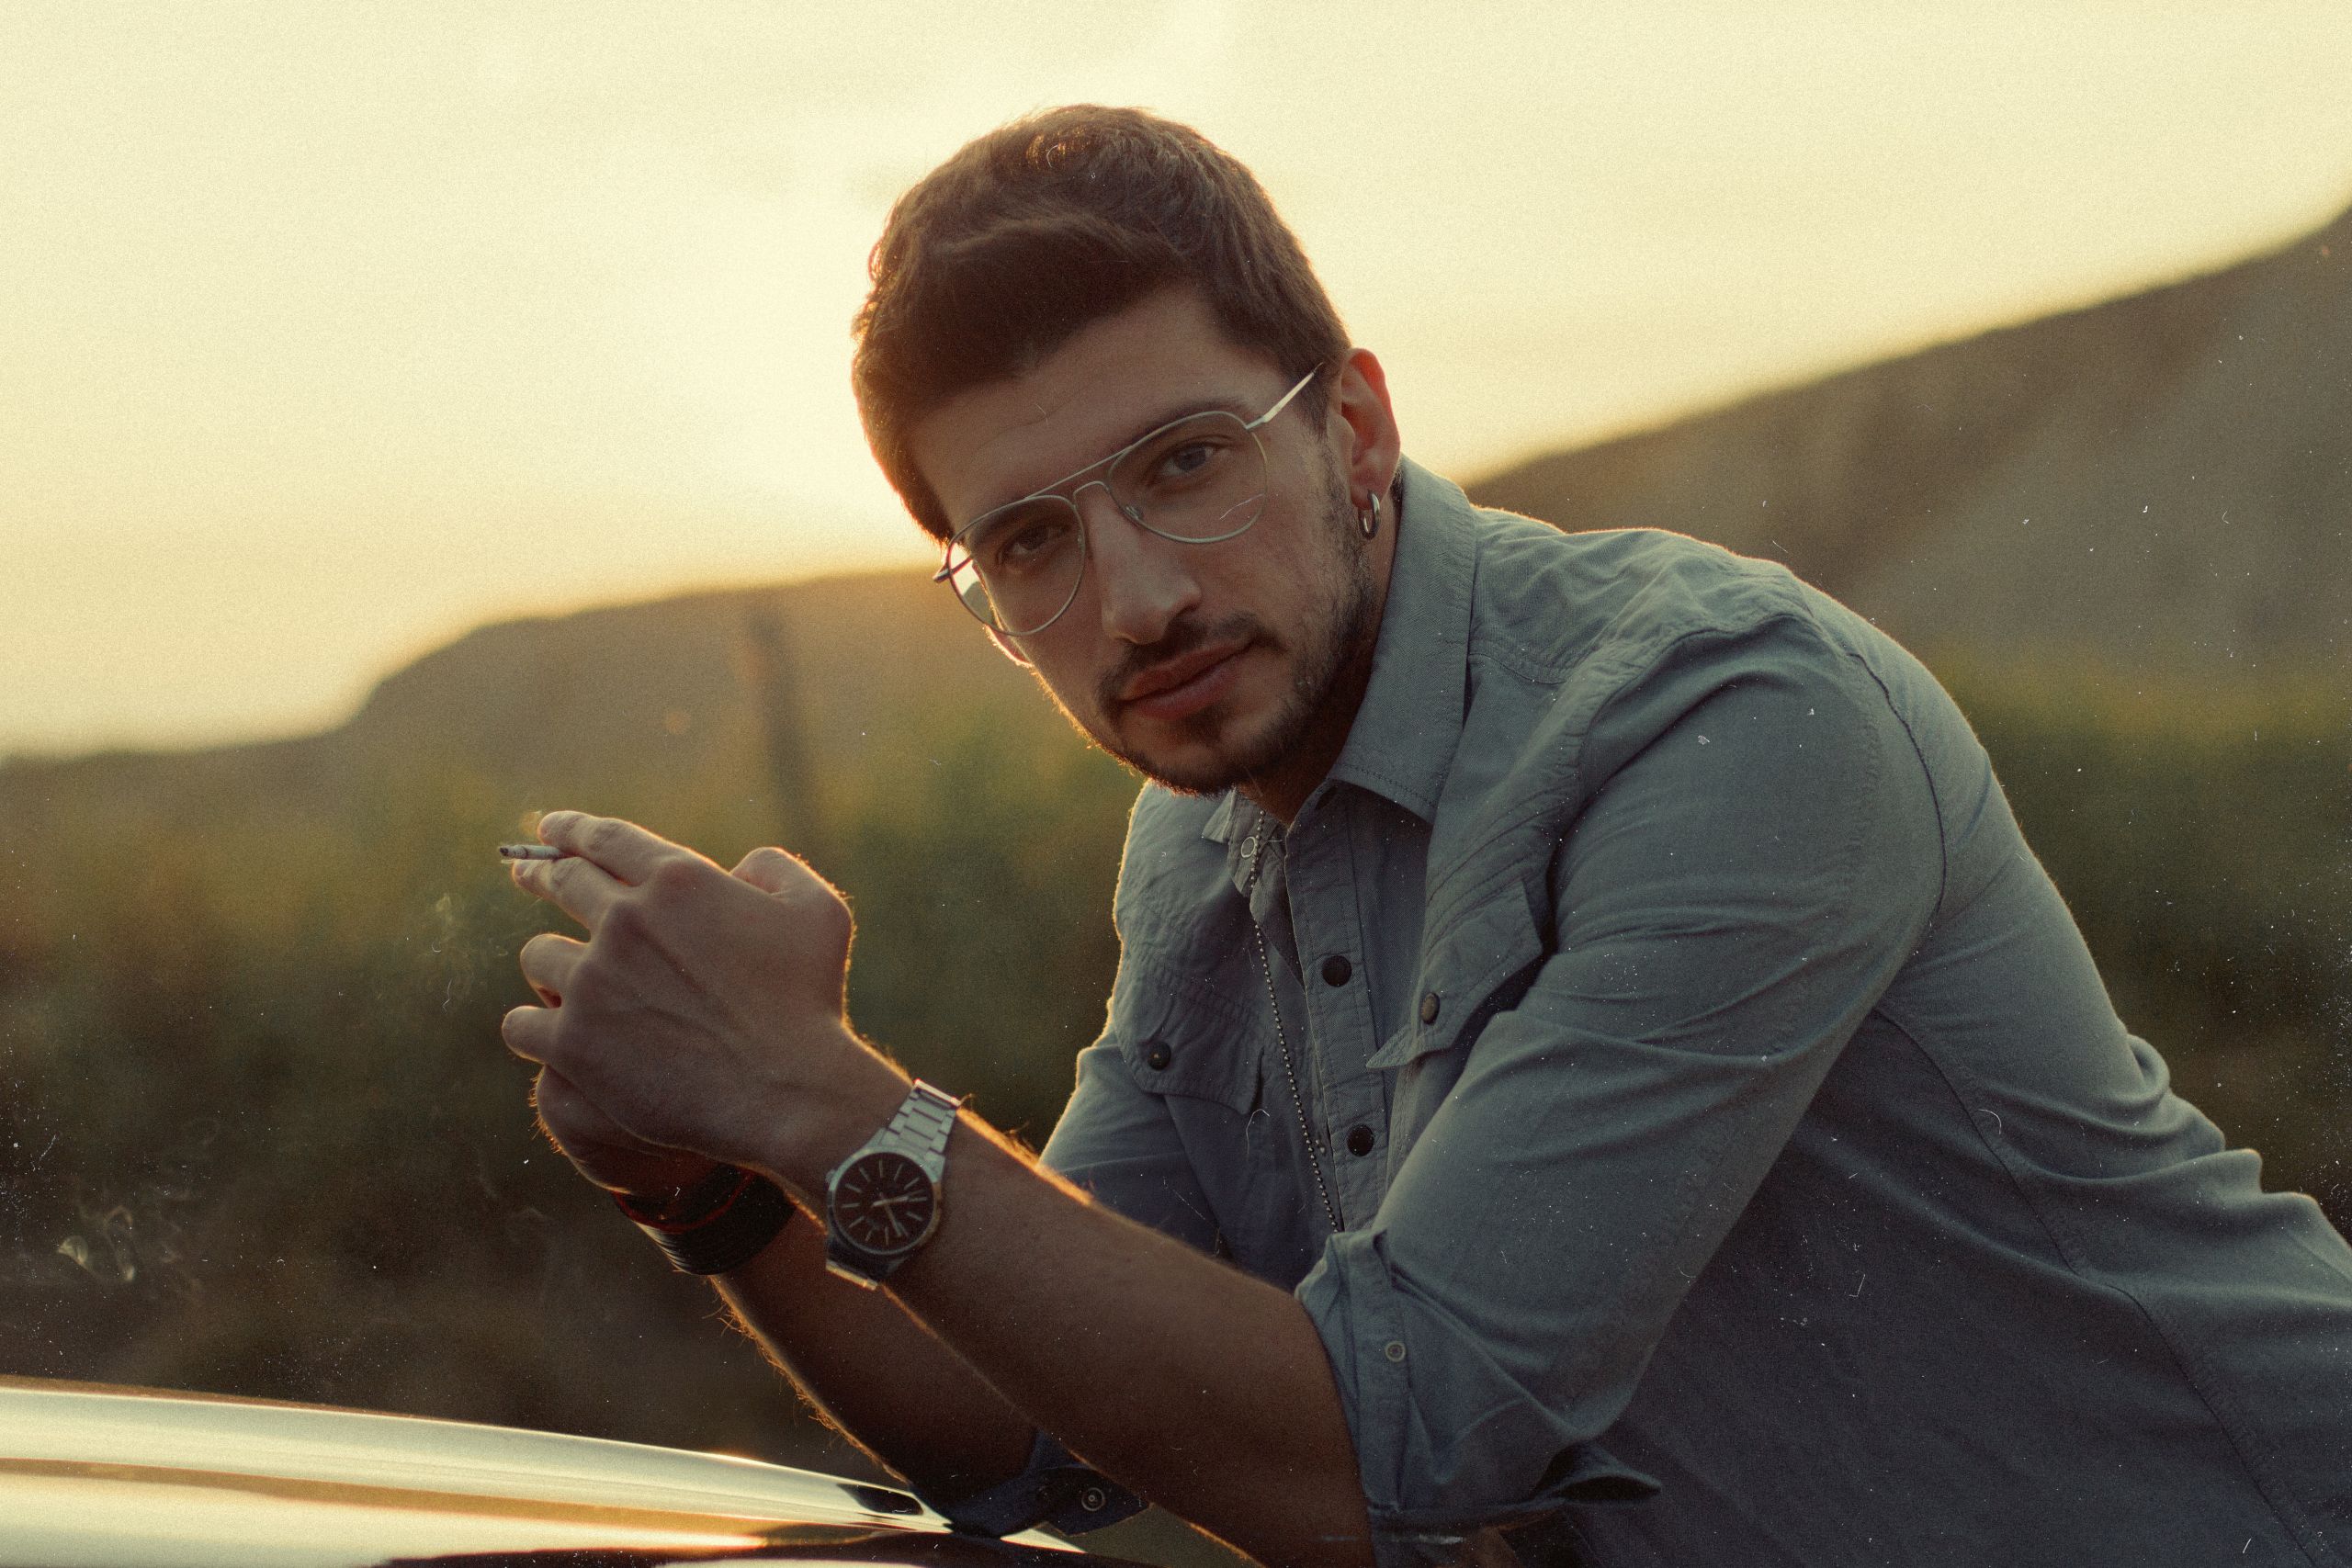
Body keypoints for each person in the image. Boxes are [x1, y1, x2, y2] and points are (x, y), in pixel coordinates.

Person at [498, 107, 2352, 1567]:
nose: (1136, 597)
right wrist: (718, 1183)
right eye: (1032, 543)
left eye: (1185, 461)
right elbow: (1040, 1429)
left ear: (1356, 427)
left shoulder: (1723, 721)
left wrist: (820, 1096)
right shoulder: (1197, 843)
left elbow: (1392, 1455)